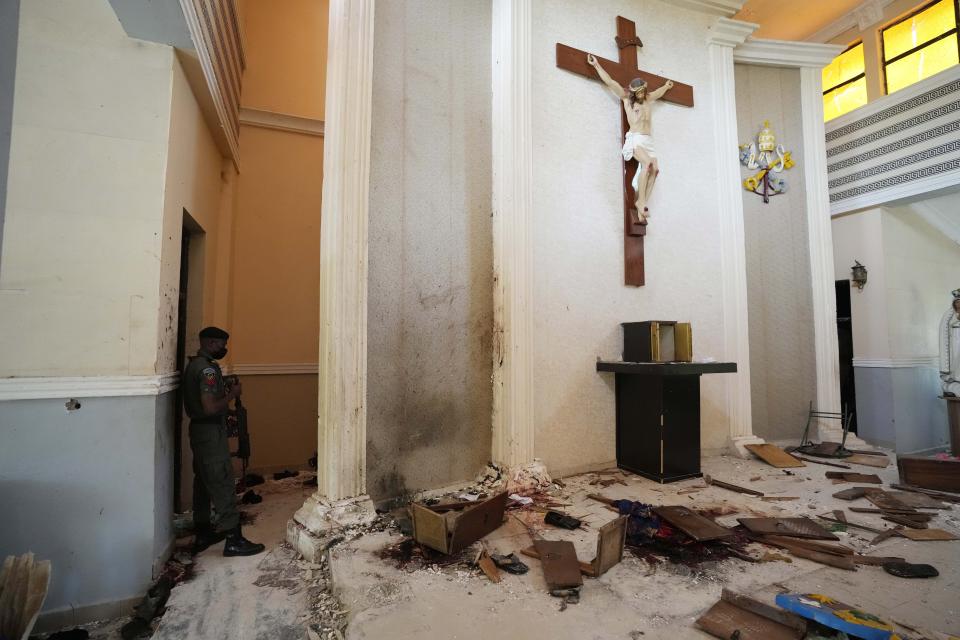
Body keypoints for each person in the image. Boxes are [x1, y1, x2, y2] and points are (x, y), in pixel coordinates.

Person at [183, 326, 265, 556]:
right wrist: (232, 394)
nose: (223, 349)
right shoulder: (207, 370)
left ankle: (204, 531)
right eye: (221, 344)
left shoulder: (195, 366)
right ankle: (233, 539)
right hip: (210, 433)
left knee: (203, 481)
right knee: (222, 481)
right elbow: (209, 407)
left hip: (200, 432)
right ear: (210, 343)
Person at [587, 53, 674, 223]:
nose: (642, 94)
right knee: (647, 164)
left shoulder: (648, 99)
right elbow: (611, 82)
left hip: (648, 141)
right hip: (636, 139)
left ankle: (642, 202)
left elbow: (658, 92)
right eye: (639, 92)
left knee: (655, 170)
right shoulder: (627, 99)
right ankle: (640, 204)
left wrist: (667, 86)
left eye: (643, 91)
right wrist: (596, 65)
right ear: (634, 92)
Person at [939, 290, 960, 397]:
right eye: (957, 302)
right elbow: (946, 326)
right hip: (955, 343)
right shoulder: (950, 314)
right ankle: (954, 383)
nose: (959, 304)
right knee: (956, 362)